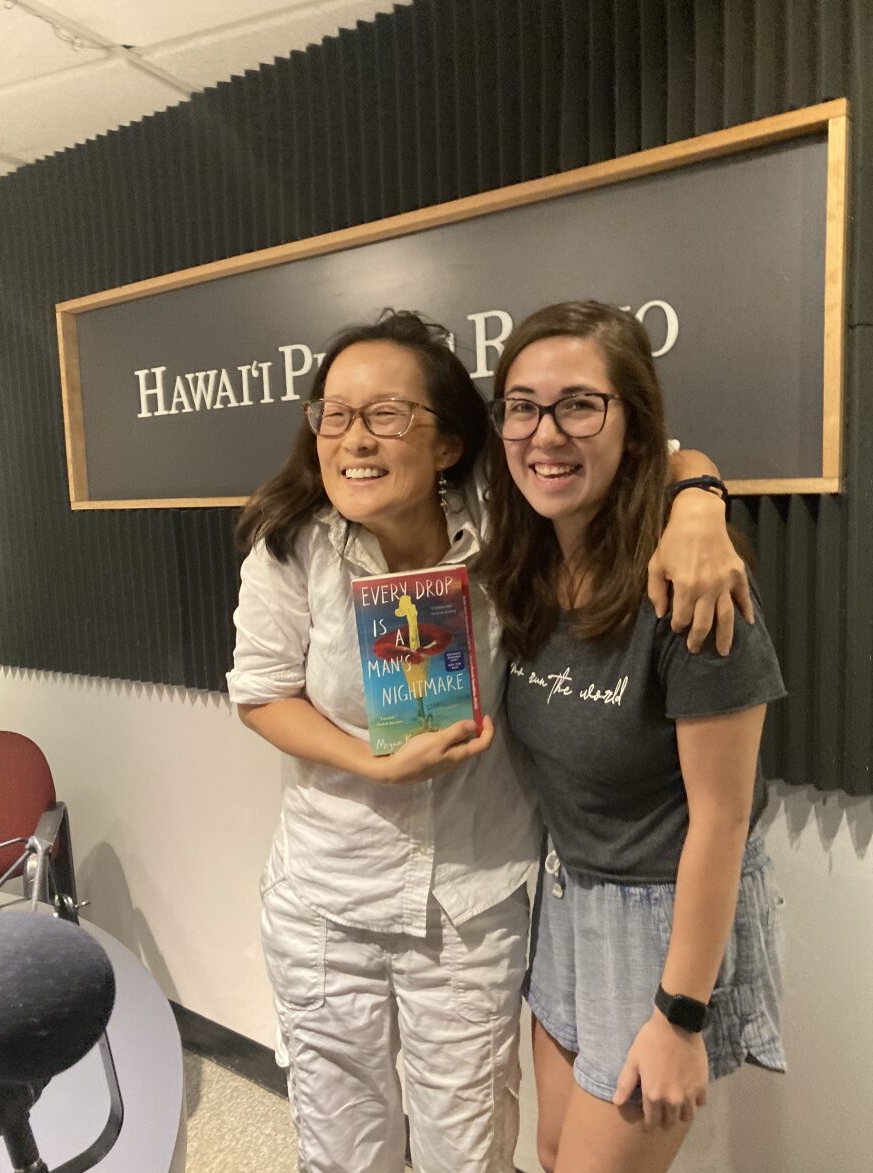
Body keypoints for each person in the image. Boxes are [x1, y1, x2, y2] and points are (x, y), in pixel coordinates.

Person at [226, 310, 746, 1173]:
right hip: (327, 898)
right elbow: (260, 692)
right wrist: (371, 760)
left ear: (449, 443)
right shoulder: (293, 550)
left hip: (470, 906)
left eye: (387, 414)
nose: (355, 438)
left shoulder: (510, 529)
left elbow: (650, 451)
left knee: (468, 1151)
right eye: (334, 414)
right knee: (340, 1145)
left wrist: (699, 500)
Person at [481, 301, 786, 1173]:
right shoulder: (530, 562)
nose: (547, 432)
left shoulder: (692, 591)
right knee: (550, 1150)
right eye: (523, 405)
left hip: (662, 915)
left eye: (580, 403)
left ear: (632, 424)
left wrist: (681, 1015)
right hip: (567, 896)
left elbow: (723, 821)